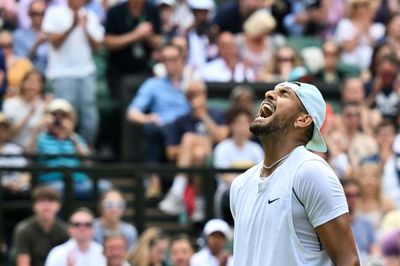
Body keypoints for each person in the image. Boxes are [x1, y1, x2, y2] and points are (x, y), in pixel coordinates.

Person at [230, 81, 360, 265]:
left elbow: (349, 260)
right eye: (273, 90)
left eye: (284, 94)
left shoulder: (311, 172)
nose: (269, 94)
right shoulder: (240, 184)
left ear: (303, 119)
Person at [42, 0, 104, 146]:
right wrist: (72, 26)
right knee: (64, 114)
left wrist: (85, 28)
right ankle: (64, 151)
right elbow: (54, 42)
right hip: (62, 72)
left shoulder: (90, 15)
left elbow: (97, 46)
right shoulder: (54, 12)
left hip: (86, 72)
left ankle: (85, 153)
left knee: (90, 118)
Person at [12, 185, 69, 266]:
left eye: (51, 200)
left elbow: (70, 260)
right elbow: (23, 263)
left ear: (59, 205)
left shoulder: (65, 230)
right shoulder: (24, 230)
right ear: (34, 205)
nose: (46, 205)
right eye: (41, 201)